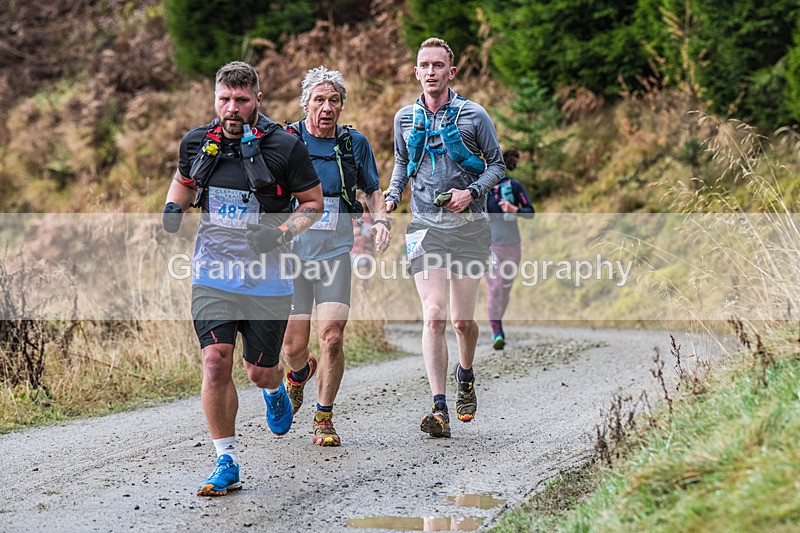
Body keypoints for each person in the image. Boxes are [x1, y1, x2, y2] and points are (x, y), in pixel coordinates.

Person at [161, 61, 323, 496]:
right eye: (224, 99)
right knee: (215, 361)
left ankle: (274, 391)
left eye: (241, 100)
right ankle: (226, 460)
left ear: (258, 100)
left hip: (267, 279)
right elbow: (184, 181)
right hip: (213, 274)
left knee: (259, 372)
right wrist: (174, 207)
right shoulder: (198, 141)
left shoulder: (285, 146)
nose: (231, 109)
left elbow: (312, 204)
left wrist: (281, 232)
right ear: (215, 98)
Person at [384, 38, 504, 438]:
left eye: (439, 65)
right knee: (434, 316)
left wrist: (471, 192)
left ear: (451, 72)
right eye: (424, 65)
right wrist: (391, 193)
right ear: (415, 72)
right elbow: (402, 164)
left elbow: (498, 166)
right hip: (425, 228)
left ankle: (465, 376)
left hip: (470, 229)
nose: (431, 71)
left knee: (461, 320)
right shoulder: (404, 118)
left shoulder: (474, 115)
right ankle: (439, 409)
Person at [281, 66, 391, 446]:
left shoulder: (353, 144)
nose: (327, 107)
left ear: (342, 105)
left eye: (334, 100)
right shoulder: (286, 140)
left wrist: (381, 223)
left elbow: (373, 191)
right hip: (292, 256)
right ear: (306, 103)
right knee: (293, 346)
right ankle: (298, 374)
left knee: (332, 337)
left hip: (335, 253)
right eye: (319, 100)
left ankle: (323, 417)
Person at [484, 148, 534, 350]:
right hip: (489, 246)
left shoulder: (513, 186)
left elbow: (530, 212)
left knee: (504, 290)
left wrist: (515, 210)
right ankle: (497, 331)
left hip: (513, 246)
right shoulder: (480, 189)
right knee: (495, 287)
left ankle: (498, 323)